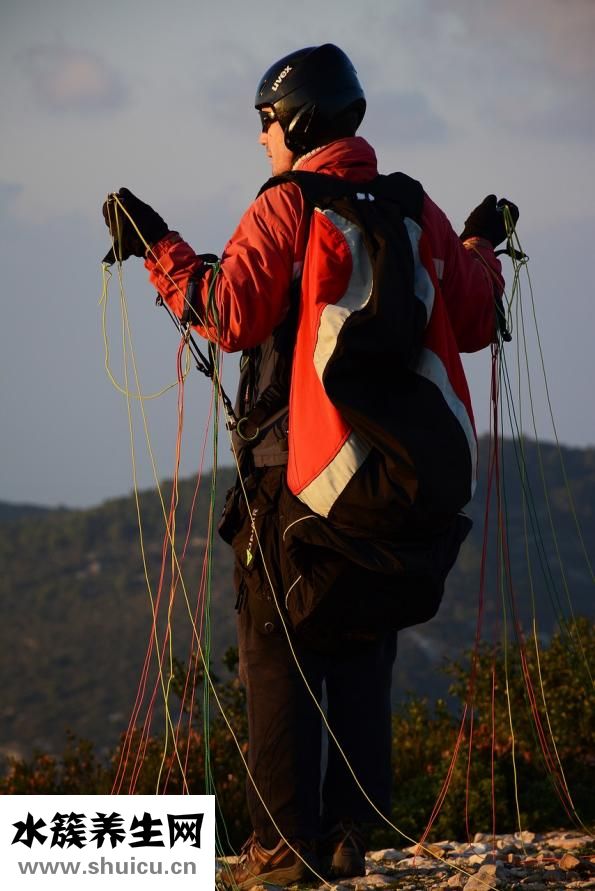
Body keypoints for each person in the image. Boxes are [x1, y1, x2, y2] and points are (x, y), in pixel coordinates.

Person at [103, 44, 516, 890]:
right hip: (398, 482)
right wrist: (478, 240)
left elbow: (226, 311)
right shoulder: (412, 206)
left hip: (297, 473)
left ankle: (279, 850)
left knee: (276, 648)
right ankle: (343, 835)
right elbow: (475, 313)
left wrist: (156, 245)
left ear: (293, 120)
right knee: (359, 638)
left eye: (263, 122)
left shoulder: (285, 204)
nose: (259, 139)